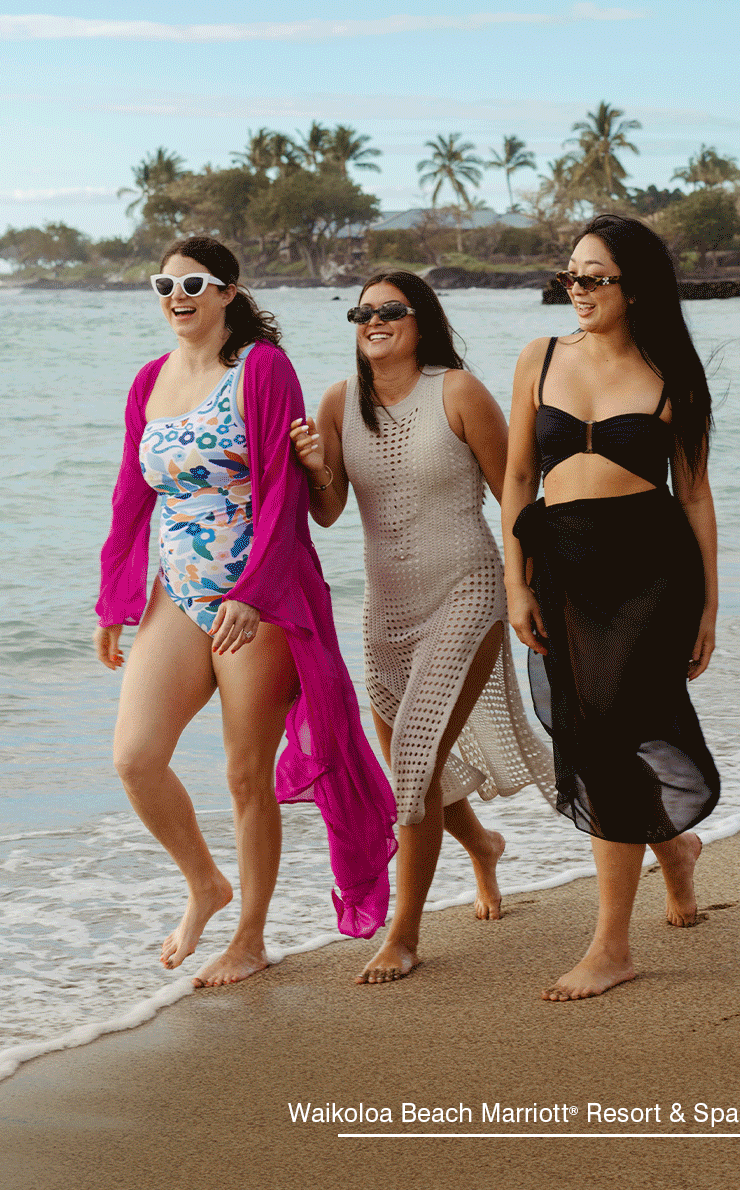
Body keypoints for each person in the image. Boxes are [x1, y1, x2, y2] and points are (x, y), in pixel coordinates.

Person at [95, 236, 396, 987]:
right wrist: (113, 600)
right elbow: (131, 494)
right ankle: (205, 884)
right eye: (164, 285)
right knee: (135, 757)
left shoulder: (261, 369)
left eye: (193, 283)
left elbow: (284, 491)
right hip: (177, 593)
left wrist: (253, 594)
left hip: (262, 598)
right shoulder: (148, 381)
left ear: (228, 292)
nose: (177, 296)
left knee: (243, 773)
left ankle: (250, 938)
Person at [290, 270, 555, 984]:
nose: (374, 321)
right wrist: (314, 467)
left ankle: (403, 935)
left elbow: (514, 495)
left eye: (390, 310)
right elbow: (328, 512)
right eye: (362, 313)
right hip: (386, 614)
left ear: (421, 320)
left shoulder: (458, 392)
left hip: (468, 591)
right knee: (418, 771)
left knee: (412, 762)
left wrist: (526, 589)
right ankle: (483, 847)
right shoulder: (339, 403)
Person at [503, 214, 721, 1002]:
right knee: (595, 727)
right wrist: (516, 583)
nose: (579, 289)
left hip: (650, 571)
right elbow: (517, 479)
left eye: (595, 277)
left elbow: (693, 494)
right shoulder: (540, 357)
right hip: (563, 567)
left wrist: (709, 608)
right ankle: (675, 852)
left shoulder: (673, 375)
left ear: (635, 288)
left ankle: (611, 946)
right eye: (571, 275)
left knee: (606, 733)